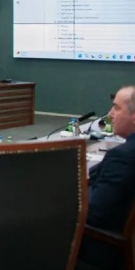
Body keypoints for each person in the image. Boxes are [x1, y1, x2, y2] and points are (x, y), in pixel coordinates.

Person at [79, 85, 135, 270]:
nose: (110, 114)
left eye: (116, 108)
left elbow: (94, 213)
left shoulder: (123, 156)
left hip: (103, 246)